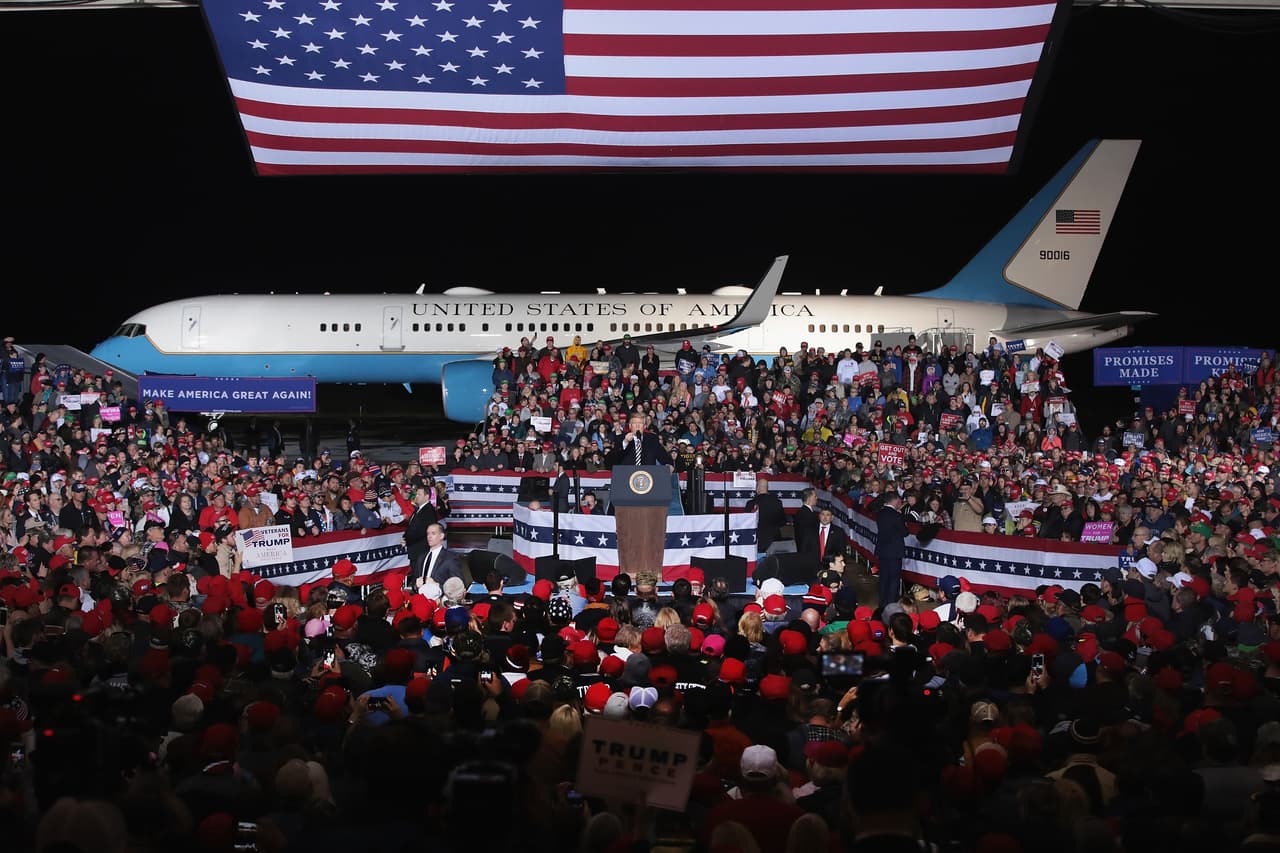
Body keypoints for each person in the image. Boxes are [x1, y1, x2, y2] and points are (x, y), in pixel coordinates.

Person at [874, 490, 908, 609]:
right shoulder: (897, 515)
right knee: (894, 579)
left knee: (884, 578)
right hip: (894, 552)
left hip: (883, 551)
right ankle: (891, 605)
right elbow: (905, 532)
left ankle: (882, 604)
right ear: (894, 501)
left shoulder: (880, 513)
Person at [607, 412, 672, 468]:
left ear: (644, 426)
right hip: (627, 475)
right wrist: (625, 442)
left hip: (648, 476)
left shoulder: (652, 438)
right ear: (630, 426)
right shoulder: (620, 438)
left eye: (640, 423)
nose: (637, 426)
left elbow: (663, 455)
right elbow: (612, 459)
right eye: (635, 423)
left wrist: (669, 464)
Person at [413, 522, 466, 588]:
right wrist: (415, 585)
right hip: (420, 596)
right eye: (428, 533)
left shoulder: (450, 558)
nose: (429, 536)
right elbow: (414, 581)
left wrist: (436, 585)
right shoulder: (421, 557)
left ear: (441, 536)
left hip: (439, 597)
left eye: (433, 533)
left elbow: (459, 586)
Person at [746, 477, 787, 555]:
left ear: (757, 488)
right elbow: (782, 522)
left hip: (756, 540)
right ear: (767, 488)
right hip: (774, 540)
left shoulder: (750, 504)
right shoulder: (777, 502)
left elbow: (747, 523)